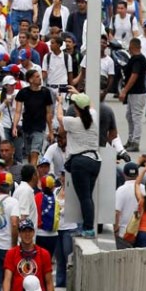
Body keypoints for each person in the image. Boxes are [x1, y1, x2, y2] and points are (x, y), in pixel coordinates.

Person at [56, 93, 100, 238]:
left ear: (76, 108)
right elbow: (91, 106)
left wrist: (59, 102)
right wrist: (78, 93)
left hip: (80, 162)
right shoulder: (93, 117)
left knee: (84, 197)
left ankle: (87, 229)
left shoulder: (73, 122)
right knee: (88, 197)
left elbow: (59, 117)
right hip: (95, 160)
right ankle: (87, 227)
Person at [2, 220, 53, 291]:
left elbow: (49, 281)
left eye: (29, 231)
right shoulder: (11, 253)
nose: (27, 234)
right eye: (24, 231)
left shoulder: (44, 254)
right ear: (19, 233)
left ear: (33, 232)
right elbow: (7, 279)